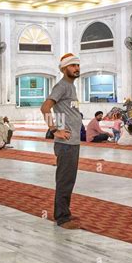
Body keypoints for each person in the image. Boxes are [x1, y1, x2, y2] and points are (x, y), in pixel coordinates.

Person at [40, 52, 82, 230]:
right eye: (73, 66)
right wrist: (54, 130)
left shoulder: (71, 87)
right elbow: (45, 107)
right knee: (65, 180)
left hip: (72, 142)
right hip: (65, 144)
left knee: (69, 179)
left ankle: (66, 212)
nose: (76, 68)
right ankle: (62, 217)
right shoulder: (62, 86)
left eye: (78, 65)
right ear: (64, 69)